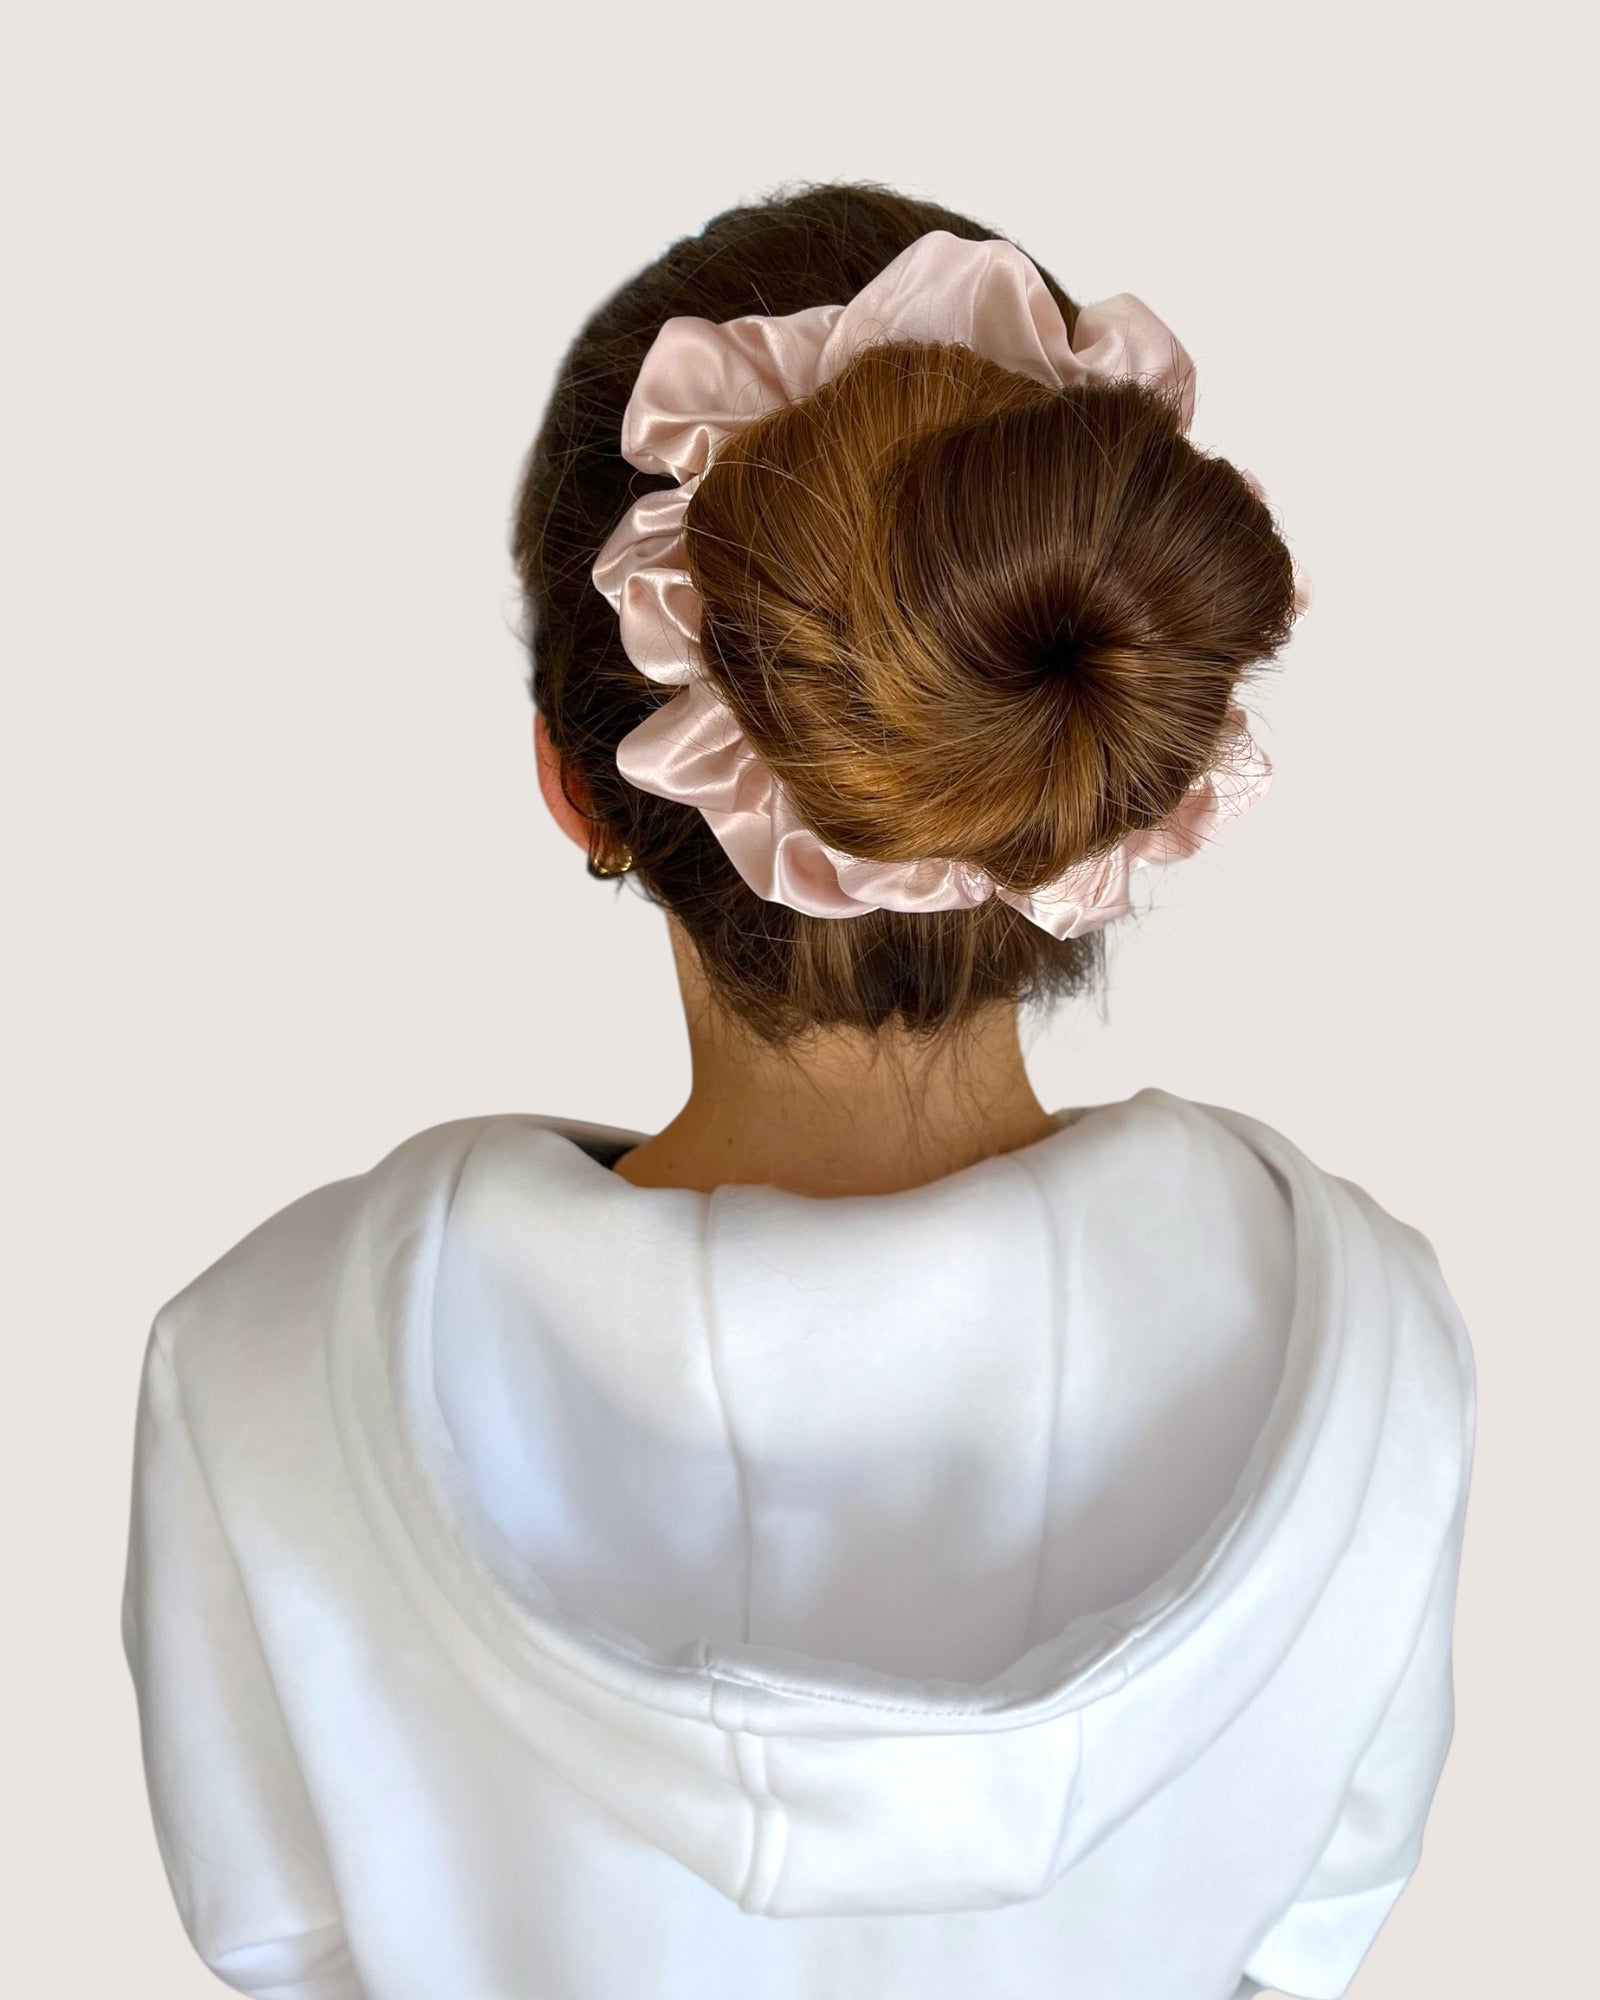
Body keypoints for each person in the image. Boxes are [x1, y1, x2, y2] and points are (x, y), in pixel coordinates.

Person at [122, 182, 1475, 2000]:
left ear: (579, 787)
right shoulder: (1377, 1357)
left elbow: (285, 1949)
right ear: (1091, 769)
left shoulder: (259, 1370)